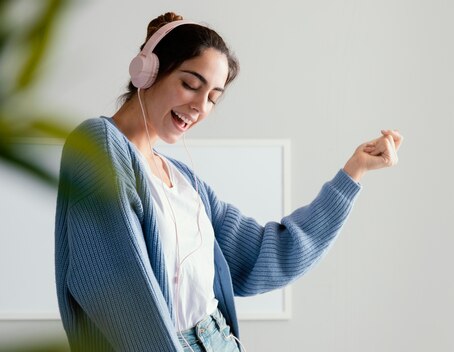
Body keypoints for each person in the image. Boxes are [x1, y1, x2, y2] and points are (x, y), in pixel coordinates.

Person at [55, 11, 402, 352]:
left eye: (213, 98)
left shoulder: (185, 180)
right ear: (148, 72)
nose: (200, 107)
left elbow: (266, 256)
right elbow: (118, 292)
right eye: (191, 85)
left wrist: (353, 172)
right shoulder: (100, 142)